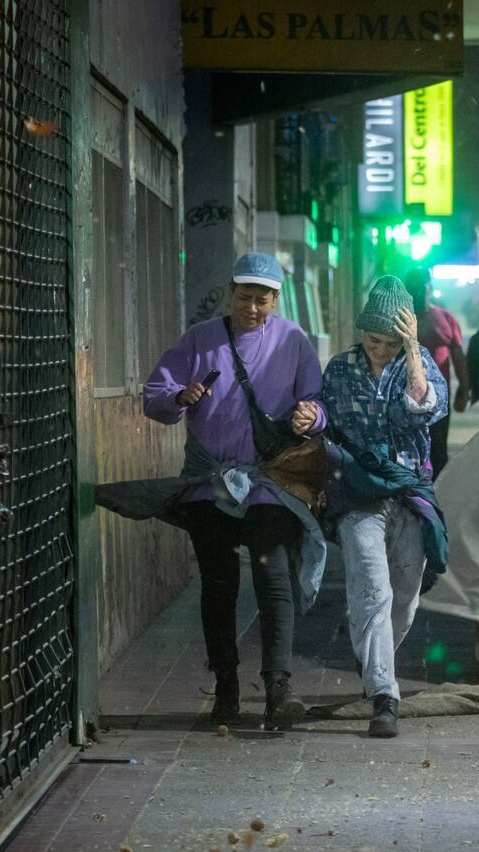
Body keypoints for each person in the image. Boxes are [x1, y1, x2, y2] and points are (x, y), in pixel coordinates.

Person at [141, 251, 325, 730]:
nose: (252, 308)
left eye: (262, 300)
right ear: (231, 293)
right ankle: (226, 686)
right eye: (245, 297)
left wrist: (312, 416)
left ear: (276, 300)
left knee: (274, 576)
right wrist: (179, 397)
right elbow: (155, 397)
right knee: (219, 584)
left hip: (269, 481)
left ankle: (278, 688)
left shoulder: (294, 341)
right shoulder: (200, 340)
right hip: (210, 483)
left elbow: (318, 402)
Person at [321, 276, 449, 738]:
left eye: (392, 342)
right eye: (375, 339)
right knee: (372, 590)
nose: (381, 349)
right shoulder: (338, 370)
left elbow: (424, 410)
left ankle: (375, 664)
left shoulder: (419, 365)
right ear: (361, 332)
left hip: (410, 494)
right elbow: (323, 419)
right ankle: (384, 695)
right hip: (358, 496)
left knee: (405, 599)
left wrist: (414, 349)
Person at [403, 267, 468, 478]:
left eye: (423, 288)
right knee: (406, 449)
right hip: (402, 397)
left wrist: (464, 390)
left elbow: (458, 356)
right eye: (413, 289)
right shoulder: (397, 319)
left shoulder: (445, 319)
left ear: (430, 288)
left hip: (438, 398)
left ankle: (437, 492)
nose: (419, 294)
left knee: (438, 448)